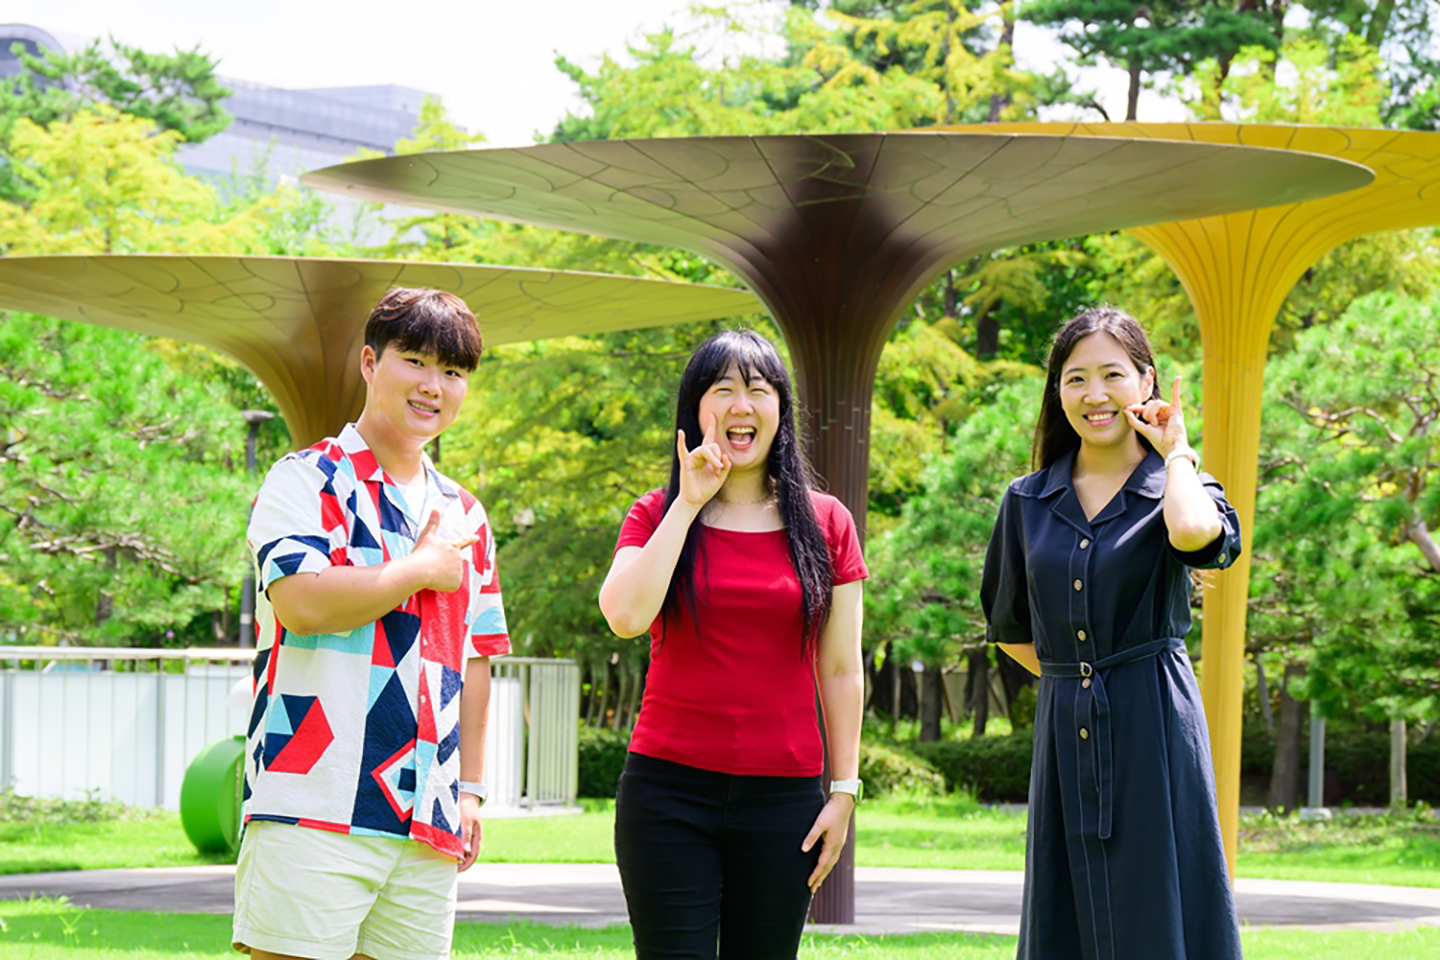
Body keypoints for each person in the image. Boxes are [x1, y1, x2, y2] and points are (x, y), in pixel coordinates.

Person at [233, 288, 509, 960]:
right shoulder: (306, 480)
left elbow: (475, 658)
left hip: (427, 818)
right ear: (368, 362)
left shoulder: (465, 512)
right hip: (313, 799)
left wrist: (470, 790)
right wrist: (415, 570)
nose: (434, 386)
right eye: (415, 361)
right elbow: (301, 602)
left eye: (453, 372)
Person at [981, 306, 1243, 960]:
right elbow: (1010, 627)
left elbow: (1193, 536)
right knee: (1065, 903)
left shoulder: (1181, 486)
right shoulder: (1027, 500)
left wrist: (1176, 449)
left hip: (1155, 722)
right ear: (1057, 391)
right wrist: (1082, 678)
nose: (1094, 395)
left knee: (1158, 896)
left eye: (1112, 375)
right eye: (1075, 379)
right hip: (1066, 721)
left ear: (1146, 382)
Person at [597, 329, 867, 960]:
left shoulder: (828, 522)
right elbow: (626, 616)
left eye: (758, 389)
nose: (741, 405)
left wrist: (845, 791)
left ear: (781, 409)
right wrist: (689, 504)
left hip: (785, 802)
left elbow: (841, 667)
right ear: (696, 411)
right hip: (667, 795)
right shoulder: (657, 512)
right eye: (722, 389)